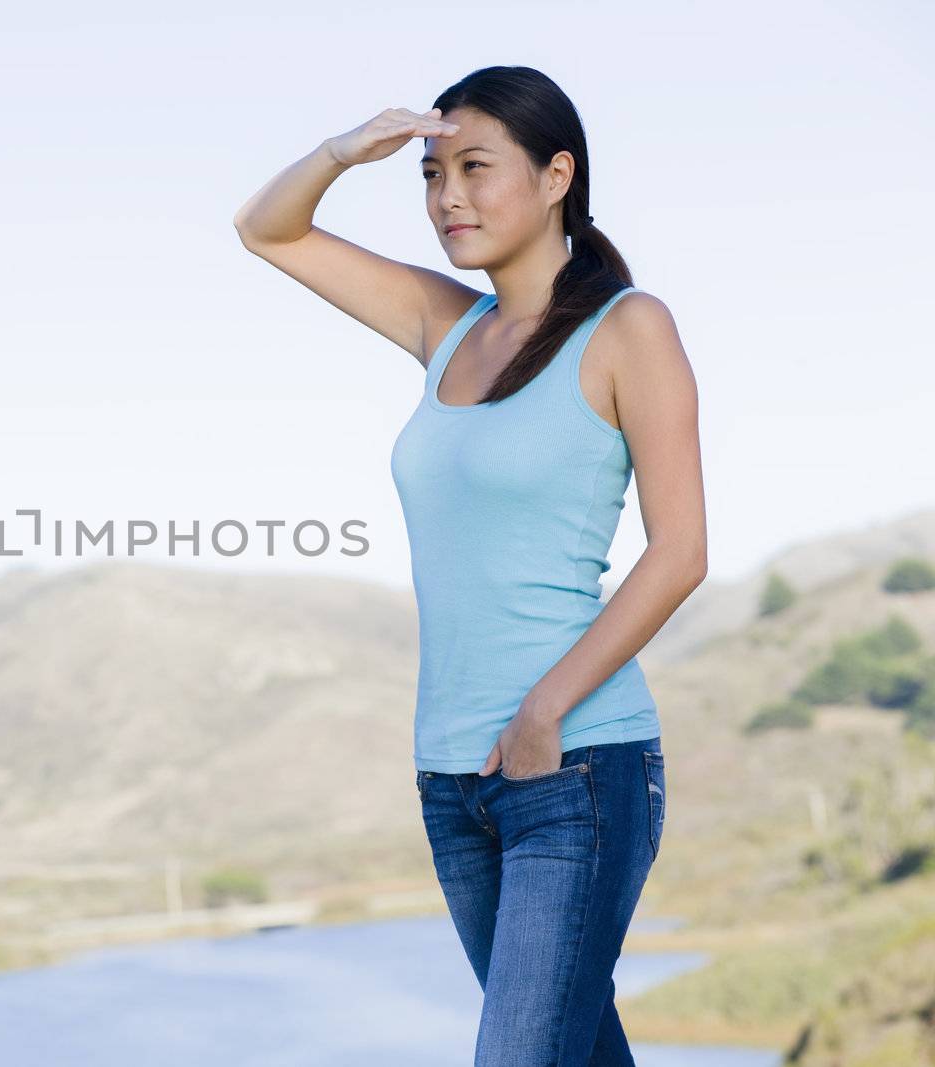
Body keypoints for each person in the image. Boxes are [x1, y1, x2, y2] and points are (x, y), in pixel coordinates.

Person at [232, 65, 708, 1065]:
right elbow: (266, 229)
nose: (448, 197)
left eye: (476, 167)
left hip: (573, 764)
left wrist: (542, 712)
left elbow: (679, 553)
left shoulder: (627, 328)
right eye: (430, 173)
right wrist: (342, 151)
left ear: (554, 175)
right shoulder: (443, 326)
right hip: (452, 780)